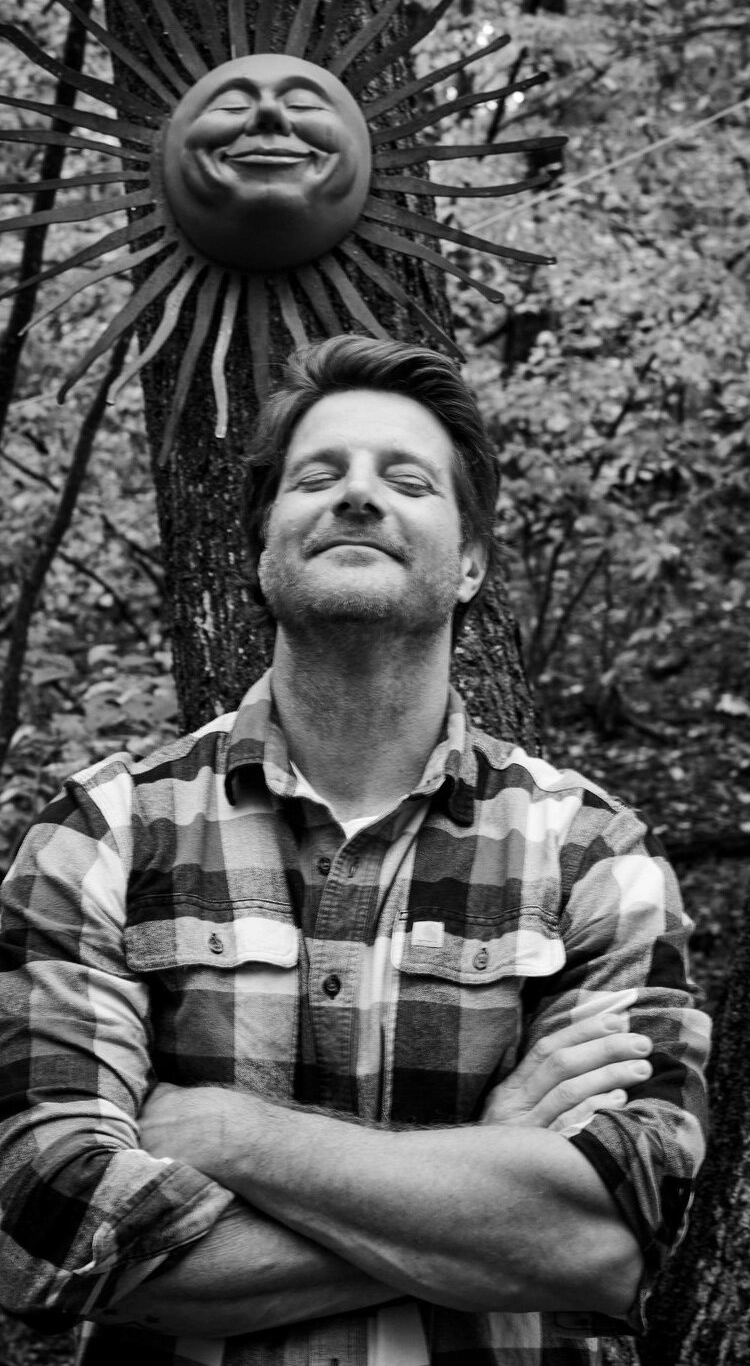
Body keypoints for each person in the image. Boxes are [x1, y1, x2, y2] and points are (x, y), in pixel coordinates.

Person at [0, 335, 710, 1366]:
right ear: (262, 551)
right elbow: (51, 1231)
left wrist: (235, 1138)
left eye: (408, 481)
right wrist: (503, 1179)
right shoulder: (103, 834)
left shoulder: (593, 855)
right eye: (318, 476)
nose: (359, 495)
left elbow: (617, 1241)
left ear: (471, 565)